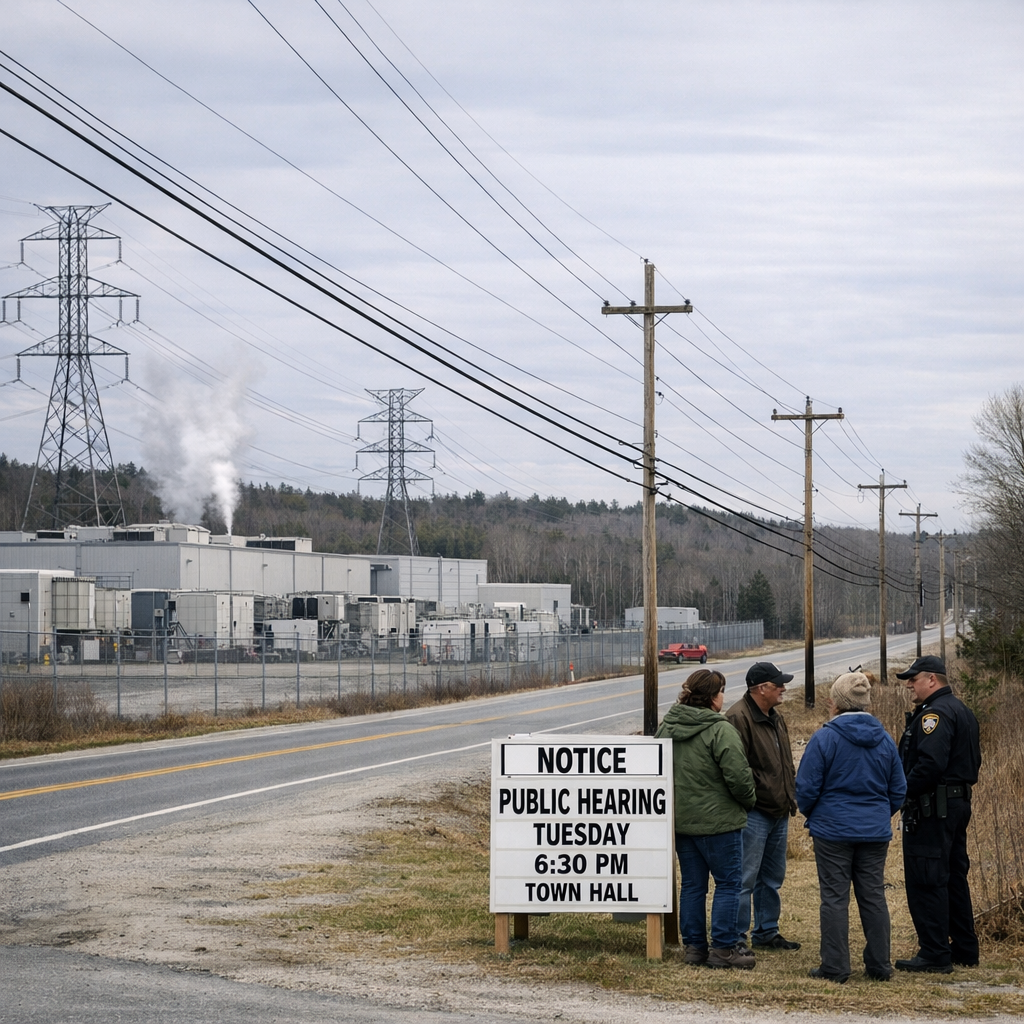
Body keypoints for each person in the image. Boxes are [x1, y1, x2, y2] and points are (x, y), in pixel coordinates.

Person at [796, 672, 907, 983]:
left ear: (837, 703)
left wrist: (815, 814)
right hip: (873, 831)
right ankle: (880, 965)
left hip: (832, 831)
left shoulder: (825, 738)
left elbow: (806, 787)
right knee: (873, 896)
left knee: (834, 897)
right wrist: (879, 814)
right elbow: (898, 789)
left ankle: (835, 966)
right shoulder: (884, 739)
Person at [656, 669, 757, 969]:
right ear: (713, 697)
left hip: (682, 823)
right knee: (728, 884)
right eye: (722, 692)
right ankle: (724, 948)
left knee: (692, 886)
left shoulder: (667, 728)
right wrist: (749, 800)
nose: (723, 698)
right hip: (720, 825)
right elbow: (739, 778)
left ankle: (694, 948)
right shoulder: (720, 730)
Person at [894, 655, 982, 973]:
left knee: (927, 877)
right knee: (953, 876)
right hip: (956, 805)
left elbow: (929, 765)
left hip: (935, 807)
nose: (908, 685)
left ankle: (934, 952)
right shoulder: (960, 709)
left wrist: (900, 793)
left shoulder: (935, 715)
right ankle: (964, 948)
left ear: (932, 680)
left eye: (913, 679)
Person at [725, 661, 801, 951]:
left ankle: (767, 931)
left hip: (779, 811)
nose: (783, 688)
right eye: (777, 684)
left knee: (772, 877)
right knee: (745, 878)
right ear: (760, 689)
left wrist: (789, 795)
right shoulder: (737, 718)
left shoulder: (776, 717)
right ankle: (735, 937)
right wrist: (751, 802)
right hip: (754, 813)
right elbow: (736, 770)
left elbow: (784, 763)